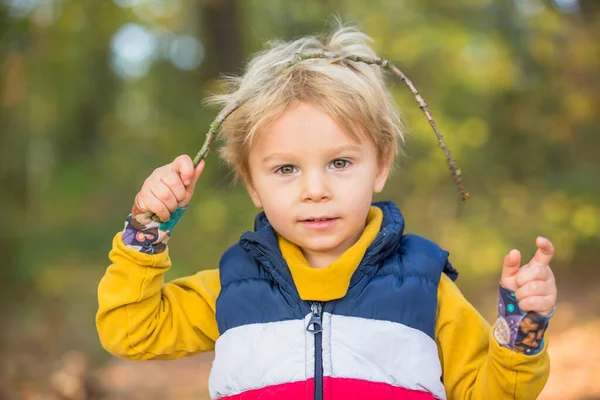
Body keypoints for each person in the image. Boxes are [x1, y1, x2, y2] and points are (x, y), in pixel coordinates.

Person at [96, 22, 557, 400]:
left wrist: (521, 333)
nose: (314, 190)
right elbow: (128, 329)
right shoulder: (231, 287)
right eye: (285, 169)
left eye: (339, 163)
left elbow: (494, 393)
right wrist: (147, 228)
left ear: (380, 165)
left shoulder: (424, 288)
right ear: (251, 183)